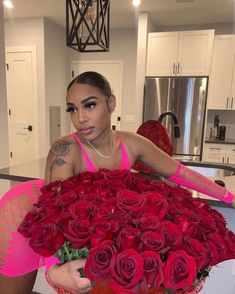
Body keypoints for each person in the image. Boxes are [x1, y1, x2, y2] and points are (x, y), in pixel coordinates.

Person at [0, 71, 235, 294]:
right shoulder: (65, 149)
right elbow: (52, 213)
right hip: (25, 213)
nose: (80, 118)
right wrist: (53, 269)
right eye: (72, 109)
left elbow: (180, 173)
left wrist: (228, 197)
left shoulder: (131, 143)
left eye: (90, 105)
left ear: (111, 103)